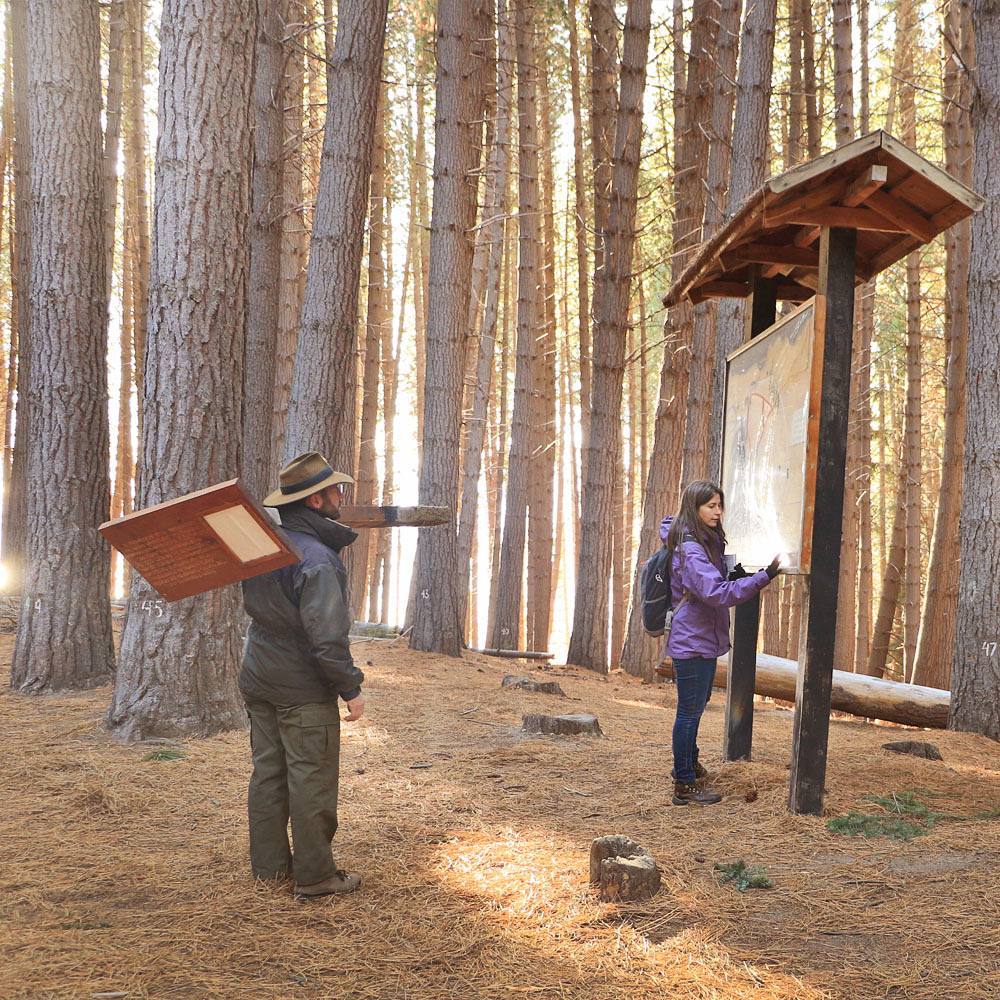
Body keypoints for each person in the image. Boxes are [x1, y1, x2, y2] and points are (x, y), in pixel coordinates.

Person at [239, 451, 366, 898]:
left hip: (258, 676)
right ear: (315, 502)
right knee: (309, 777)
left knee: (268, 775)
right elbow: (326, 639)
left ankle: (270, 871)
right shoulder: (318, 560)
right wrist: (350, 687)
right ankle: (315, 878)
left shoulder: (266, 547)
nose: (340, 497)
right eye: (335, 491)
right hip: (300, 686)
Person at [661, 479, 780, 807]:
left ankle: (689, 764)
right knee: (688, 712)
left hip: (701, 638)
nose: (717, 511)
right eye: (710, 506)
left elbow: (712, 586)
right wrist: (763, 577)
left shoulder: (701, 540)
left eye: (719, 505)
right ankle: (684, 782)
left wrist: (737, 575)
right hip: (692, 641)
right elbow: (715, 594)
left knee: (694, 710)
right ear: (694, 507)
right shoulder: (691, 548)